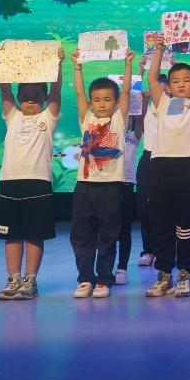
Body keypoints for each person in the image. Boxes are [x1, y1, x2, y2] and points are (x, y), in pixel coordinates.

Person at [144, 35, 190, 298]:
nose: (181, 84)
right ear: (170, 86)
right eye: (175, 81)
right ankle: (164, 275)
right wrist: (159, 50)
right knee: (161, 224)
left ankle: (184, 273)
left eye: (187, 80)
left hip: (186, 167)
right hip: (160, 167)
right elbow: (152, 79)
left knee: (186, 224)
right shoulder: (162, 102)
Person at [0, 47, 63, 302]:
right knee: (11, 234)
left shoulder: (48, 117)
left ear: (44, 98)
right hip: (9, 183)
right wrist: (0, 61)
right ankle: (13, 278)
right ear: (19, 98)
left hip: (37, 183)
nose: (30, 100)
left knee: (34, 233)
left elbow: (57, 90)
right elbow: (4, 89)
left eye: (36, 96)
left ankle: (30, 280)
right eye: (25, 96)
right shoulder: (13, 116)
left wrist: (58, 65)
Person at [68, 48, 134, 299]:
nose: (102, 104)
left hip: (111, 188)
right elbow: (78, 92)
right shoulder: (86, 119)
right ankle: (85, 278)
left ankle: (104, 279)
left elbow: (126, 92)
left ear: (115, 103)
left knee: (108, 236)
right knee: (81, 236)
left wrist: (128, 63)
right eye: (97, 100)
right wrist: (77, 66)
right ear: (91, 102)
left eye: (107, 99)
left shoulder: (118, 120)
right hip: (85, 187)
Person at [136, 72, 167, 267]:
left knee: (163, 208)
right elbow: (138, 123)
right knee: (144, 209)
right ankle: (148, 249)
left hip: (166, 158)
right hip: (148, 158)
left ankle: (163, 249)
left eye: (163, 91)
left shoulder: (173, 109)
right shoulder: (147, 108)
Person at [113, 106, 141, 285]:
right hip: (109, 186)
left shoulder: (133, 137)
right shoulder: (111, 135)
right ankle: (105, 268)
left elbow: (139, 121)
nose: (126, 120)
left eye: (130, 117)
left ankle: (122, 268)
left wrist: (141, 102)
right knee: (108, 231)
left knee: (124, 232)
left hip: (127, 187)